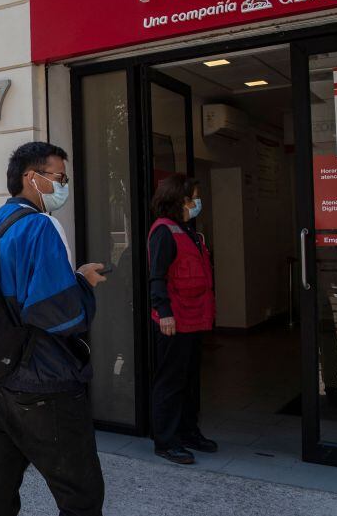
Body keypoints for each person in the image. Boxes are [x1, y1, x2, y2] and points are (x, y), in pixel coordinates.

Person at [0, 142, 107, 516]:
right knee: (81, 494)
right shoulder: (40, 227)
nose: (64, 185)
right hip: (45, 381)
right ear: (31, 178)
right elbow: (61, 315)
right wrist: (82, 282)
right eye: (59, 177)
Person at [148, 174, 219, 465]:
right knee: (171, 381)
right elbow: (157, 277)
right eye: (192, 198)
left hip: (194, 317)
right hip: (174, 319)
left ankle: (189, 432)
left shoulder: (188, 230)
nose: (196, 203)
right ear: (177, 200)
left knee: (190, 381)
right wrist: (163, 312)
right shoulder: (164, 231)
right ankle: (166, 441)